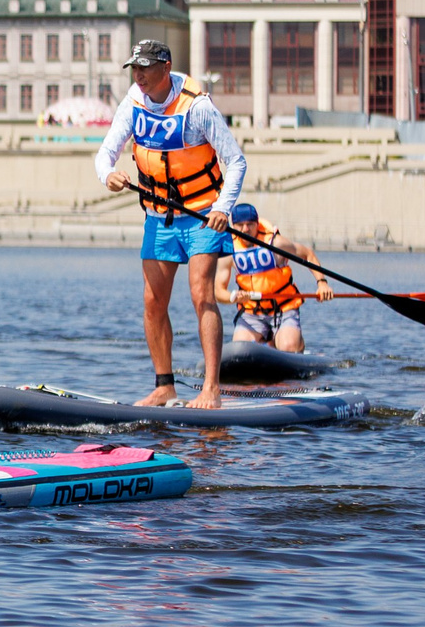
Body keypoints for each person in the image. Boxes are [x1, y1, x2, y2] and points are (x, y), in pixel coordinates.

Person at [94, 40, 246, 409]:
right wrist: (108, 175)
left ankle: (211, 389)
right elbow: (105, 153)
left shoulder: (197, 106)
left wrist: (224, 208)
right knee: (152, 301)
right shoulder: (132, 103)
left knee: (201, 295)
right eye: (135, 68)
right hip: (159, 217)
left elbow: (236, 161)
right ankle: (165, 385)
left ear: (167, 66)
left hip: (201, 215)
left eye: (145, 67)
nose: (139, 74)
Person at [218, 202, 330, 352]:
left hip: (284, 308)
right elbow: (218, 291)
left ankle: (293, 342)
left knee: (288, 346)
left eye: (250, 224)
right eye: (240, 225)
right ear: (233, 226)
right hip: (252, 313)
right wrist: (233, 297)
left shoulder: (275, 243)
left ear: (257, 224)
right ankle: (268, 340)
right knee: (240, 348)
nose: (245, 229)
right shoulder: (228, 250)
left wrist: (321, 283)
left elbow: (307, 254)